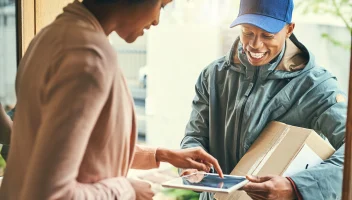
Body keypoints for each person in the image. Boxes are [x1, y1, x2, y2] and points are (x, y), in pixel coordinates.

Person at [0, 0, 224, 200]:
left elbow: (88, 146)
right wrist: (126, 190)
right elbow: (52, 193)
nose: (156, 21)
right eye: (161, 6)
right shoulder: (89, 56)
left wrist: (163, 155)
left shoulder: (50, 36)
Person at [180, 0, 346, 199]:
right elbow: (195, 136)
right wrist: (191, 165)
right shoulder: (213, 75)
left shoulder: (317, 87)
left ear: (289, 29)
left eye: (267, 35)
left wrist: (296, 187)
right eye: (247, 32)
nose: (254, 44)